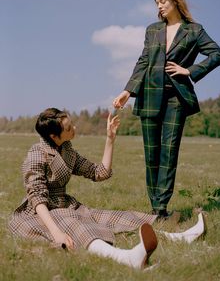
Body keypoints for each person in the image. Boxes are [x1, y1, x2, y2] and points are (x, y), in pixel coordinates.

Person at [113, 0, 220, 218]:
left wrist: (190, 70)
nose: (159, 6)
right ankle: (155, 207)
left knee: (169, 153)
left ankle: (160, 208)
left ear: (175, 1)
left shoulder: (194, 30)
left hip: (176, 98)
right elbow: (143, 61)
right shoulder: (152, 30)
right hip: (148, 97)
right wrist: (128, 91)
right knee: (151, 154)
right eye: (157, 2)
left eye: (163, 1)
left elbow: (218, 54)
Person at [9, 107, 158, 269]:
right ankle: (126, 258)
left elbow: (98, 173)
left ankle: (175, 236)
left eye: (72, 124)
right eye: (68, 128)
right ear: (53, 136)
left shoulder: (67, 150)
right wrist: (56, 232)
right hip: (42, 211)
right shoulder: (37, 154)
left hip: (65, 204)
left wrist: (110, 139)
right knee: (77, 225)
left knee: (104, 216)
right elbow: (37, 197)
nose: (74, 128)